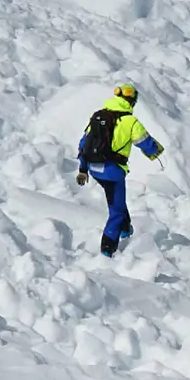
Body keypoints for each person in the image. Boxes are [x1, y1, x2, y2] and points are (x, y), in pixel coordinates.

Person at [75, 82, 164, 257]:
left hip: (93, 169)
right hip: (112, 172)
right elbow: (147, 144)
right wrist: (158, 153)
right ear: (132, 102)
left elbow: (83, 144)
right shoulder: (131, 122)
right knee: (115, 211)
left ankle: (126, 229)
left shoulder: (98, 116)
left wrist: (83, 169)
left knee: (117, 200)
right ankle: (107, 251)